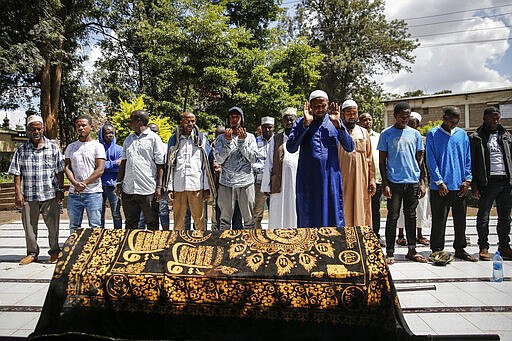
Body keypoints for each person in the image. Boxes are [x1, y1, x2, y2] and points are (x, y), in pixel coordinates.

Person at [286, 90, 354, 228]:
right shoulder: (301, 122)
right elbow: (291, 147)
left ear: (327, 105)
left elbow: (350, 147)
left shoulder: (335, 122)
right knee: (308, 215)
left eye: (322, 106)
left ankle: (334, 246)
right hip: (308, 179)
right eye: (316, 106)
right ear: (310, 106)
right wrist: (305, 125)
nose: (319, 109)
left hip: (331, 178)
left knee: (333, 213)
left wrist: (339, 126)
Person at [8, 115, 65, 265]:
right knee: (29, 227)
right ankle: (32, 253)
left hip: (49, 194)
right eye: (33, 128)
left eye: (39, 128)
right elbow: (16, 172)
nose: (36, 131)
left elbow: (60, 170)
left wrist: (60, 189)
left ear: (43, 129)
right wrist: (18, 192)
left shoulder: (53, 147)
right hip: (29, 195)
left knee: (53, 226)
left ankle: (54, 251)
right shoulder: (21, 149)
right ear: (28, 130)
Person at [378, 102, 427, 264]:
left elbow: (420, 160)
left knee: (411, 216)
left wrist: (421, 182)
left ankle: (412, 250)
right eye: (402, 116)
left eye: (407, 116)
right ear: (395, 116)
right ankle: (390, 252)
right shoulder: (386, 134)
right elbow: (382, 161)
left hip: (412, 181)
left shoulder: (415, 135)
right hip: (394, 182)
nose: (405, 119)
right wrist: (385, 183)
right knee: (393, 217)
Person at [426, 106, 476, 262]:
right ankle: (436, 250)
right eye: (449, 121)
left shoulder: (462, 135)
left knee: (460, 219)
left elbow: (468, 158)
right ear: (444, 117)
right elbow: (430, 160)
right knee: (439, 220)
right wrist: (439, 181)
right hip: (440, 187)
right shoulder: (433, 134)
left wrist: (467, 180)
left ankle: (460, 249)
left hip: (459, 185)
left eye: (455, 122)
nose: (452, 124)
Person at [470, 106, 512, 261]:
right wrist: (474, 184)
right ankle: (483, 246)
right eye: (492, 118)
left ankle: (504, 245)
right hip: (487, 182)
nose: (496, 120)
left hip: (505, 181)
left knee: (505, 217)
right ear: (484, 118)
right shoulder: (476, 137)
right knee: (484, 216)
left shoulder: (506, 135)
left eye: (497, 117)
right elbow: (472, 162)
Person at [164, 112, 215, 231]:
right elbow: (170, 165)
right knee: (178, 221)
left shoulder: (201, 139)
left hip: (196, 185)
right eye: (188, 121)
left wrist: (206, 187)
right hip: (178, 185)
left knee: (199, 220)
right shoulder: (174, 139)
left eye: (193, 121)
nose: (191, 124)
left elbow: (206, 165)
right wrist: (170, 187)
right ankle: (178, 244)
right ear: (182, 122)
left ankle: (200, 245)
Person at [115, 110, 165, 230]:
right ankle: (130, 248)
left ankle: (152, 248)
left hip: (148, 189)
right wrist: (119, 182)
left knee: (152, 222)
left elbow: (160, 164)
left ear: (139, 121)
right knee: (130, 223)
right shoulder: (129, 139)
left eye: (131, 120)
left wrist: (159, 187)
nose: (129, 123)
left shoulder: (154, 139)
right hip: (129, 189)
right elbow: (124, 161)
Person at [214, 106, 259, 230]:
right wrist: (228, 143)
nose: (234, 119)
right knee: (224, 220)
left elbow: (254, 158)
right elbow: (219, 159)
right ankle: (224, 245)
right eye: (232, 117)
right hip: (226, 183)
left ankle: (249, 246)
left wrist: (242, 143)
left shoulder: (250, 137)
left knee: (249, 220)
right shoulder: (221, 138)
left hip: (246, 182)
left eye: (237, 117)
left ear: (241, 119)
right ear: (228, 120)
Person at [64, 115, 106, 231]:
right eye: (78, 126)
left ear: (90, 127)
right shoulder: (71, 147)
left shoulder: (97, 146)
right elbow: (67, 167)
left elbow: (100, 169)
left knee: (96, 226)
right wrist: (74, 183)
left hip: (93, 193)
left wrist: (84, 183)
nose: (81, 128)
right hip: (74, 193)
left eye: (84, 125)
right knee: (74, 226)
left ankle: (95, 249)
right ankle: (74, 248)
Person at [338, 100, 375, 227]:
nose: (352, 116)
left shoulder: (363, 132)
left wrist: (372, 179)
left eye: (354, 113)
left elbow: (369, 158)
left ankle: (361, 239)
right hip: (342, 179)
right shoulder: (337, 131)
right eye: (349, 113)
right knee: (343, 208)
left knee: (362, 208)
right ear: (343, 114)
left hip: (361, 180)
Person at [261, 107, 299, 228]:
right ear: (282, 121)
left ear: (296, 120)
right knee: (278, 211)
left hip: (296, 181)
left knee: (295, 209)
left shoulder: (301, 137)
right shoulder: (276, 139)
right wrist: (266, 185)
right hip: (279, 181)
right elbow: (269, 163)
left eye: (291, 120)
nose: (289, 122)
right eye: (286, 120)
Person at [396, 112, 430, 246]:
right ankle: (400, 235)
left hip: (419, 177)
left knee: (420, 208)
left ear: (418, 125)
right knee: (402, 208)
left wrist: (423, 181)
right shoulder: (398, 136)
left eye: (413, 123)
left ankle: (419, 234)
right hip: (402, 178)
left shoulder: (423, 140)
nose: (410, 125)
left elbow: (423, 162)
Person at [358, 112, 385, 246]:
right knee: (361, 208)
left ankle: (376, 234)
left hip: (377, 179)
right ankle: (361, 233)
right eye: (364, 120)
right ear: (359, 121)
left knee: (375, 209)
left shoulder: (379, 137)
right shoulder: (357, 135)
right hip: (360, 179)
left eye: (369, 119)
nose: (367, 122)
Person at [210, 126, 243, 230]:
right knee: (221, 216)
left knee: (237, 216)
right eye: (216, 135)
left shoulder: (234, 147)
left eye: (221, 135)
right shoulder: (212, 150)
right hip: (220, 188)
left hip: (235, 185)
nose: (217, 138)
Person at [139, 123, 170, 230]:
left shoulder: (166, 147)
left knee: (163, 211)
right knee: (145, 212)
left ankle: (165, 233)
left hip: (162, 184)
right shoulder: (142, 146)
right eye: (151, 131)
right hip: (146, 184)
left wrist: (162, 185)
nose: (153, 133)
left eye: (155, 131)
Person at [98, 123, 123, 229]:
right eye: (107, 133)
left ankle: (118, 234)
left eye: (111, 132)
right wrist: (113, 163)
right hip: (98, 185)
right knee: (100, 214)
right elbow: (97, 167)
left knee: (116, 213)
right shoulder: (97, 148)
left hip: (114, 185)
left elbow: (120, 167)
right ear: (102, 134)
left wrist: (103, 166)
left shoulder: (119, 149)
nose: (109, 135)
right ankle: (100, 235)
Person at [253, 116, 274, 228]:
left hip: (275, 182)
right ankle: (257, 235)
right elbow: (251, 161)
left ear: (273, 128)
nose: (267, 130)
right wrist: (265, 169)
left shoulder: (278, 140)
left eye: (269, 127)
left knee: (275, 211)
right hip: (259, 182)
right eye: (265, 127)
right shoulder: (255, 141)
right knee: (257, 213)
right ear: (261, 127)